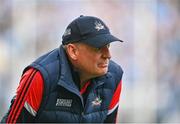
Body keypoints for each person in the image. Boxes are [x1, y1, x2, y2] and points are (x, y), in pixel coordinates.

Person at [1, 15, 123, 123]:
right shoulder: (39, 77)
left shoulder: (115, 75)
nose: (108, 55)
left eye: (108, 46)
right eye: (98, 48)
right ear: (73, 51)